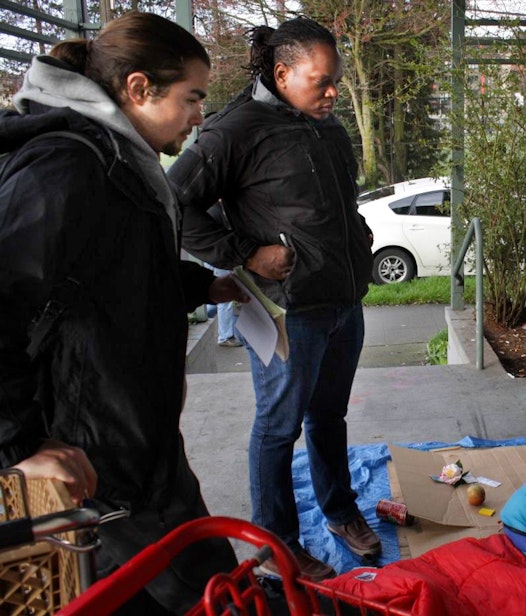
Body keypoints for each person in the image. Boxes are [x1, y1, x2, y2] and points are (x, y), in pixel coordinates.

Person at [0, 12, 248, 613]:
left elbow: (112, 269)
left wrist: (197, 286)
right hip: (100, 452)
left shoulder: (116, 155)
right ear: (139, 89)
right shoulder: (69, 166)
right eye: (192, 98)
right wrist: (18, 443)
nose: (198, 117)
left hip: (137, 434)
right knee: (188, 589)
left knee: (198, 579)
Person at [168, 16, 379, 580]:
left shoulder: (325, 124)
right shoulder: (233, 131)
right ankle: (275, 545)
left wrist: (355, 234)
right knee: (278, 428)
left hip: (342, 301)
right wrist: (244, 252)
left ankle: (338, 512)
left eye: (335, 80)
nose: (334, 91)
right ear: (282, 73)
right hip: (287, 311)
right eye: (322, 81)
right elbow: (174, 205)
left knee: (329, 415)